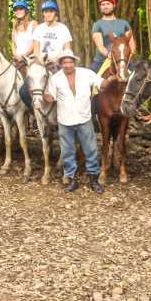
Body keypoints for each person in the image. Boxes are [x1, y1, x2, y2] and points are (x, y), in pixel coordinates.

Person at [43, 50, 104, 194]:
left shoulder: (86, 73)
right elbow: (49, 94)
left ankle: (94, 179)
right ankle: (72, 179)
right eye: (65, 62)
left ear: (74, 63)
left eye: (70, 62)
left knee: (91, 149)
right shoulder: (55, 78)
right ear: (61, 64)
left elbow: (101, 82)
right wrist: (46, 97)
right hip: (65, 120)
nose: (68, 65)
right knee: (67, 151)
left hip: (84, 118)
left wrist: (113, 80)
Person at [89, 0, 135, 75]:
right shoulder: (97, 24)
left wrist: (126, 59)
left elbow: (131, 44)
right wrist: (108, 54)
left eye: (108, 4)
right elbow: (100, 46)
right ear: (100, 7)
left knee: (139, 79)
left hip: (123, 59)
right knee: (90, 81)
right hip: (102, 60)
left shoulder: (124, 23)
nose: (105, 6)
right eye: (102, 5)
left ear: (114, 5)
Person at [11, 0, 37, 69]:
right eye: (16, 10)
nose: (18, 11)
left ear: (26, 10)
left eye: (21, 9)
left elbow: (35, 44)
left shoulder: (33, 24)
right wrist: (15, 54)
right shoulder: (15, 26)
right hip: (17, 59)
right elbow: (13, 44)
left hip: (30, 59)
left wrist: (24, 55)